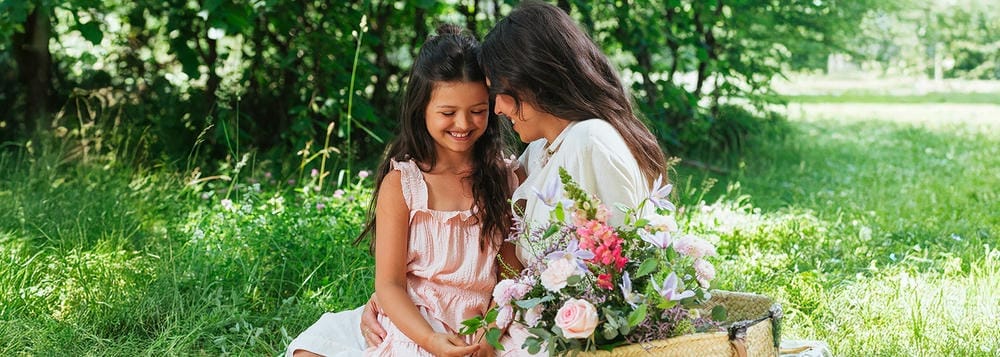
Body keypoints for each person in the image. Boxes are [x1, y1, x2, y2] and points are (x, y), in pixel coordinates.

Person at [359, 1, 670, 354]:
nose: (498, 109)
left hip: (563, 327)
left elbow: (625, 261)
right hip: (505, 318)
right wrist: (394, 297)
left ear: (535, 83)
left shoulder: (589, 140)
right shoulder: (539, 152)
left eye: (499, 95)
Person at [286, 24, 520, 357]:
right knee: (310, 349)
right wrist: (431, 340)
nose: (463, 124)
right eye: (448, 113)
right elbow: (389, 285)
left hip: (481, 322)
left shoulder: (504, 179)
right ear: (421, 108)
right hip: (418, 322)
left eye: (477, 112)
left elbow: (511, 275)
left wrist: (491, 330)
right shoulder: (403, 184)